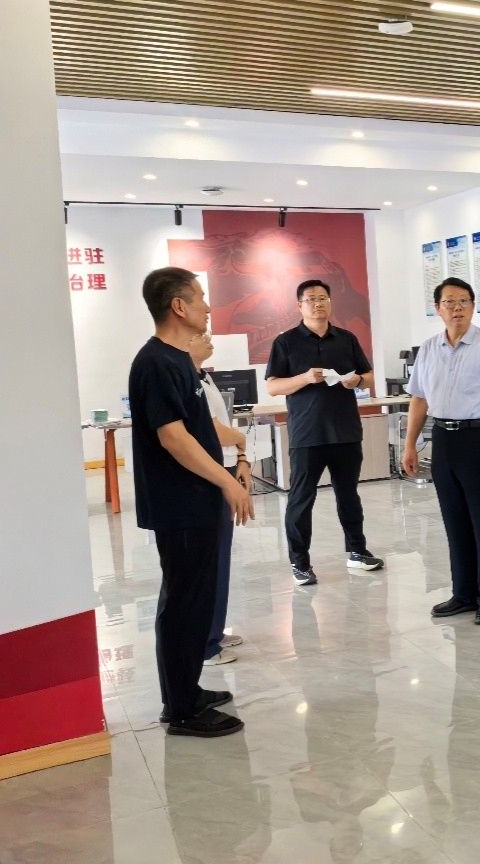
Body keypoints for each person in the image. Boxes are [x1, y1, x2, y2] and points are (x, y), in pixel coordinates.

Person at [128, 267, 253, 737]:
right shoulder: (156, 362)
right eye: (200, 298)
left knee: (196, 599)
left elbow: (199, 429)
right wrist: (227, 482)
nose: (207, 307)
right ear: (178, 306)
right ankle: (180, 710)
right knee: (183, 601)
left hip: (196, 500)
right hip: (179, 503)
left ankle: (187, 689)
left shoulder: (179, 362)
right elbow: (174, 438)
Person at [402, 277, 480, 625]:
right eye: (450, 302)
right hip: (444, 440)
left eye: (464, 301)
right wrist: (410, 444)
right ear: (437, 308)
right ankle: (464, 594)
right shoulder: (428, 349)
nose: (457, 308)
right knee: (455, 520)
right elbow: (419, 399)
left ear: (473, 306)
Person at [265, 279, 382, 585]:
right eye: (311, 299)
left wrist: (357, 381)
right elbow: (273, 386)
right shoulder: (286, 342)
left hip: (345, 431)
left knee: (349, 495)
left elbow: (369, 376)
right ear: (299, 305)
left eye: (323, 298)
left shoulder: (346, 338)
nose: (318, 304)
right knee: (301, 499)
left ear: (330, 302)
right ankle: (300, 563)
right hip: (307, 434)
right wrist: (304, 378)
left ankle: (357, 552)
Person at [188, 333, 250, 667]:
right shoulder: (187, 380)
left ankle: (214, 631)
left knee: (222, 556)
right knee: (211, 558)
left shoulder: (204, 376)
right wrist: (241, 439)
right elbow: (211, 430)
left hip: (224, 464)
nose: (208, 338)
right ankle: (205, 644)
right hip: (210, 471)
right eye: (200, 334)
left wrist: (241, 455)